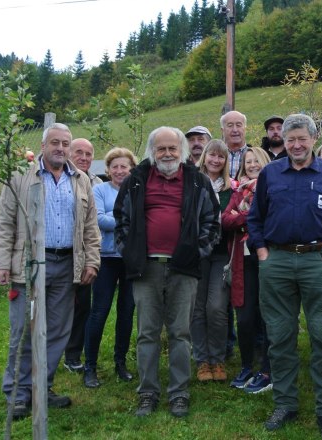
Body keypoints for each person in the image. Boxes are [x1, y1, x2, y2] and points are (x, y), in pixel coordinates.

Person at [247, 114, 322, 440]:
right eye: (290, 139)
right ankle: (286, 403)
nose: (295, 145)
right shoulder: (270, 173)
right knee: (279, 337)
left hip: (316, 261)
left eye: (301, 139)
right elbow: (255, 218)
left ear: (313, 139)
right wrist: (262, 253)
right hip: (276, 261)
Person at [0, 123, 100, 420]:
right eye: (55, 142)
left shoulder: (80, 180)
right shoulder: (21, 177)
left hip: (66, 265)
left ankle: (42, 387)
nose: (61, 148)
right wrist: (0, 263)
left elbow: (90, 226)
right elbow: (3, 223)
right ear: (42, 146)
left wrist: (92, 260)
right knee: (24, 330)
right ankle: (18, 394)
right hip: (29, 266)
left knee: (57, 331)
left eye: (65, 143)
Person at [114, 126, 221, 418]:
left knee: (180, 333)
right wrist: (130, 252)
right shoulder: (136, 181)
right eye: (161, 148)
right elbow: (121, 219)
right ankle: (147, 392)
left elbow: (213, 223)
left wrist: (195, 253)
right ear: (152, 151)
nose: (167, 153)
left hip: (184, 268)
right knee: (147, 333)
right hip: (145, 268)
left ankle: (179, 393)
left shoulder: (198, 182)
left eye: (172, 148)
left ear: (182, 150)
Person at [83, 147, 138, 388]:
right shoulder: (100, 190)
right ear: (107, 170)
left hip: (130, 259)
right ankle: (90, 367)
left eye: (123, 166)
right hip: (105, 258)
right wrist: (129, 222)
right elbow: (99, 219)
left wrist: (120, 221)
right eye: (114, 167)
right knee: (99, 311)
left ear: (131, 169)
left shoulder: (137, 192)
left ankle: (120, 362)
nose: (119, 171)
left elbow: (139, 219)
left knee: (126, 312)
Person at [223, 147, 272, 393]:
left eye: (256, 161)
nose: (252, 165)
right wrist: (249, 217)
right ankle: (246, 366)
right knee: (244, 315)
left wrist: (242, 215)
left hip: (268, 257)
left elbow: (271, 217)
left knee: (267, 314)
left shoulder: (272, 186)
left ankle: (266, 368)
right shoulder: (238, 191)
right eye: (248, 162)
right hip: (243, 260)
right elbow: (225, 219)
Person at [192, 139, 233, 383]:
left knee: (216, 307)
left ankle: (217, 358)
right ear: (204, 156)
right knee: (197, 308)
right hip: (196, 252)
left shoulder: (231, 188)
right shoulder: (193, 181)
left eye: (221, 157)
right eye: (212, 155)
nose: (216, 160)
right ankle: (202, 360)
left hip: (220, 253)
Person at [63, 138, 103, 373]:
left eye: (89, 154)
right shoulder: (61, 180)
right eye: (79, 153)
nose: (84, 158)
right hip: (61, 252)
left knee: (81, 307)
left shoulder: (95, 182)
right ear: (68, 153)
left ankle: (73, 353)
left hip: (84, 255)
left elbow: (92, 226)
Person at [221, 110, 252, 178]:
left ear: (245, 129)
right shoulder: (216, 157)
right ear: (222, 131)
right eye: (230, 125)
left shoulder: (255, 155)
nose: (235, 130)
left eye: (238, 125)